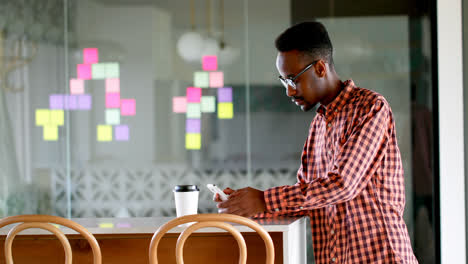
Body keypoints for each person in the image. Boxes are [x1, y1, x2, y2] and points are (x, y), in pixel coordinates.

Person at [214, 21, 418, 263]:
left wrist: (263, 199)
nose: (289, 91)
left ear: (320, 68)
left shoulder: (370, 107)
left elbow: (343, 184)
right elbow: (306, 200)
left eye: (293, 80)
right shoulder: (318, 127)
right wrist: (244, 206)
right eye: (284, 81)